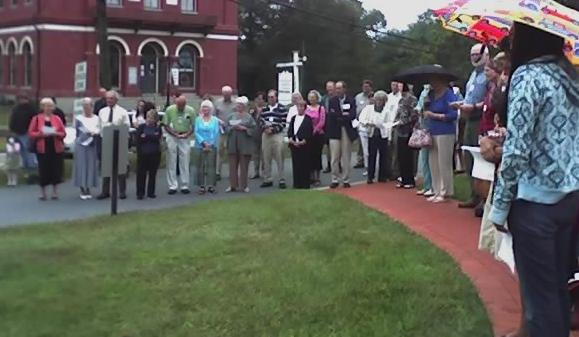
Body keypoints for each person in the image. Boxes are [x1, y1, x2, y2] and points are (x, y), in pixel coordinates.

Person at [489, 22, 579, 337]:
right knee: (555, 290)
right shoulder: (568, 74)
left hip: (534, 203)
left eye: (514, 31)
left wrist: (498, 208)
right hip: (569, 196)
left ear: (529, 35)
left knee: (539, 304)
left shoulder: (528, 77)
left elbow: (516, 153)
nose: (510, 37)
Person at [455, 44, 489, 211]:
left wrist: (474, 106)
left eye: (477, 54)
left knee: (480, 158)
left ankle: (483, 196)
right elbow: (470, 96)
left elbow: (490, 99)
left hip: (480, 119)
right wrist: (462, 104)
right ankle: (473, 194)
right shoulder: (473, 74)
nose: (474, 58)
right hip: (468, 118)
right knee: (468, 156)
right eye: (472, 54)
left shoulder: (489, 74)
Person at [425, 77, 459, 203]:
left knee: (444, 162)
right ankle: (436, 189)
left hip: (445, 131)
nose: (432, 84)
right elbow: (426, 108)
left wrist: (435, 116)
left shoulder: (449, 95)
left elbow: (453, 114)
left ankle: (446, 191)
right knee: (433, 162)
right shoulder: (431, 95)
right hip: (433, 131)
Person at [28, 98, 66, 200]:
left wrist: (56, 133)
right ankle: (43, 193)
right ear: (42, 107)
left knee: (56, 170)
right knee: (43, 170)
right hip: (42, 148)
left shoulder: (57, 118)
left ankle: (55, 192)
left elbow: (63, 133)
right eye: (46, 106)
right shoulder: (36, 118)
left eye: (50, 106)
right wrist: (40, 134)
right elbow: (31, 133)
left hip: (56, 147)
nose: (48, 108)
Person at [96, 90, 130, 200]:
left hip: (119, 141)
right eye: (107, 98)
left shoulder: (122, 112)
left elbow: (126, 126)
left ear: (116, 99)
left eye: (111, 98)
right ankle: (105, 191)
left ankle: (122, 191)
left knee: (121, 166)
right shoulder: (102, 111)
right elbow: (99, 126)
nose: (109, 100)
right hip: (105, 141)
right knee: (105, 167)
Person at [163, 95, 196, 195]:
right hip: (172, 135)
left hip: (185, 135)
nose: (180, 107)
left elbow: (194, 125)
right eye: (179, 105)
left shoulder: (191, 110)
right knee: (171, 160)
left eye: (182, 105)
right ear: (176, 103)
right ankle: (172, 185)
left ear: (185, 104)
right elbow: (165, 124)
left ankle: (184, 185)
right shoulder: (170, 110)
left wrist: (187, 134)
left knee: (185, 159)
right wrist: (174, 134)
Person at [327, 81, 357, 188]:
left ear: (344, 89)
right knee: (334, 157)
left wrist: (342, 116)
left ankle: (346, 179)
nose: (338, 91)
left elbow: (352, 115)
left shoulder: (351, 100)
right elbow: (332, 115)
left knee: (346, 155)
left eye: (339, 88)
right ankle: (335, 179)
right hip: (334, 131)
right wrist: (343, 116)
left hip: (346, 130)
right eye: (336, 88)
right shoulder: (332, 101)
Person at [225, 97, 257, 193]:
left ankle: (244, 186)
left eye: (241, 105)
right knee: (232, 165)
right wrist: (232, 127)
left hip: (245, 143)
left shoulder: (249, 117)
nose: (239, 107)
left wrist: (244, 129)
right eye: (237, 105)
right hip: (233, 143)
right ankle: (232, 185)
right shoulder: (231, 116)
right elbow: (225, 128)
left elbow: (254, 129)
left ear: (245, 106)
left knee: (244, 165)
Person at [359, 91, 391, 184]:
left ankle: (382, 176)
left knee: (383, 156)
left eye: (381, 100)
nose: (379, 102)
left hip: (383, 135)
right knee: (371, 156)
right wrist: (368, 123)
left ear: (384, 101)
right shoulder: (368, 108)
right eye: (378, 99)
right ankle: (370, 176)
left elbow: (389, 124)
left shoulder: (387, 110)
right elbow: (362, 118)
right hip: (372, 134)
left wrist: (389, 138)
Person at [73, 97, 100, 200]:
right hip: (81, 145)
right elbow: (77, 132)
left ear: (92, 107)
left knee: (91, 166)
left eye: (88, 106)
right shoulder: (79, 118)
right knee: (81, 166)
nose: (86, 108)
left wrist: (95, 133)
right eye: (84, 106)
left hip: (92, 145)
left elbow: (99, 129)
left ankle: (88, 187)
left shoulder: (97, 118)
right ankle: (82, 188)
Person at [260, 89, 288, 189]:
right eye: (269, 97)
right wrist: (265, 129)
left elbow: (283, 122)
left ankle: (281, 179)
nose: (270, 99)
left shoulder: (282, 109)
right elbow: (261, 121)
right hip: (266, 134)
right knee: (266, 157)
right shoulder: (264, 109)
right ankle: (267, 178)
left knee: (279, 156)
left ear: (276, 97)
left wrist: (273, 129)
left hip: (277, 134)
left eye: (272, 97)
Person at [393, 83, 418, 188]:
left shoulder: (412, 99)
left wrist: (403, 122)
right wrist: (394, 122)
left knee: (408, 156)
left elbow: (414, 115)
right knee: (400, 156)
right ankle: (403, 178)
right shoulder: (401, 99)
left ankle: (409, 180)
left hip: (408, 130)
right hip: (400, 131)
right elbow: (398, 113)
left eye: (400, 86)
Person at [9, 94, 38, 182]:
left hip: (26, 133)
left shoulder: (31, 109)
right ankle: (25, 166)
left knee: (28, 150)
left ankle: (32, 167)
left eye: (23, 99)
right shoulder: (16, 108)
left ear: (26, 99)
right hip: (17, 132)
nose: (22, 101)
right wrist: (12, 129)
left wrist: (31, 131)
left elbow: (34, 121)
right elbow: (12, 119)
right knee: (21, 151)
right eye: (20, 99)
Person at [194, 100, 221, 195]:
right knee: (200, 166)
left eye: (207, 107)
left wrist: (210, 143)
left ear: (211, 109)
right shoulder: (197, 119)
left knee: (211, 166)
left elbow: (216, 132)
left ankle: (211, 186)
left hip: (211, 145)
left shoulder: (215, 120)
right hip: (200, 145)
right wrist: (203, 142)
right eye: (204, 107)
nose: (205, 109)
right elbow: (196, 131)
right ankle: (201, 186)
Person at [136, 110, 162, 200]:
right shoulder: (141, 127)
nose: (149, 119)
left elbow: (157, 137)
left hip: (154, 154)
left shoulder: (157, 128)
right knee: (141, 174)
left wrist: (146, 136)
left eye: (151, 118)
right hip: (143, 154)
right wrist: (150, 137)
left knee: (152, 174)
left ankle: (151, 192)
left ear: (155, 119)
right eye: (148, 117)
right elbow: (139, 139)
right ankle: (140, 193)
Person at [288, 99, 314, 189]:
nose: (300, 108)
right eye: (298, 106)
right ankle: (297, 184)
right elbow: (290, 131)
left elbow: (310, 133)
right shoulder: (293, 118)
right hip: (294, 144)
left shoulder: (308, 119)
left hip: (304, 145)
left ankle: (305, 184)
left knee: (304, 165)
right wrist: (292, 140)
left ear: (305, 108)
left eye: (302, 106)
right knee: (296, 164)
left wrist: (303, 141)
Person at [415, 84, 434, 197]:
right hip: (423, 126)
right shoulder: (424, 91)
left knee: (432, 159)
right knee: (424, 159)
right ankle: (427, 185)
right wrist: (418, 110)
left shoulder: (436, 93)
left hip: (432, 127)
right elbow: (419, 106)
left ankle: (432, 186)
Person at [215, 85, 236, 180]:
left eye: (228, 94)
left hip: (232, 130)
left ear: (231, 94)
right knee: (220, 151)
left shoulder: (235, 103)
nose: (226, 96)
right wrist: (220, 122)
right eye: (224, 94)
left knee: (231, 152)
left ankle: (232, 172)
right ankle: (217, 172)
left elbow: (239, 115)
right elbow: (214, 116)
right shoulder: (218, 103)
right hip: (220, 130)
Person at [305, 90, 326, 187]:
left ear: (317, 98)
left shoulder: (321, 108)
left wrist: (315, 130)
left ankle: (317, 177)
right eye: (310, 97)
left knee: (317, 156)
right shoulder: (306, 108)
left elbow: (322, 121)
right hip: (308, 135)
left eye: (313, 98)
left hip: (318, 135)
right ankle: (310, 176)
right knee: (309, 156)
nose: (311, 99)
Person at [385, 81, 403, 180]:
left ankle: (396, 171)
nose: (394, 87)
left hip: (397, 125)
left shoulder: (401, 98)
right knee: (389, 149)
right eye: (392, 85)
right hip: (388, 125)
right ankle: (389, 171)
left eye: (396, 85)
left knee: (396, 149)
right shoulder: (388, 97)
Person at [355, 80, 374, 170]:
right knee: (360, 143)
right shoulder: (358, 97)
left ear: (370, 87)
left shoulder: (373, 97)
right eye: (364, 86)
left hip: (370, 123)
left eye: (367, 87)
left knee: (369, 145)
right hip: (360, 122)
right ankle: (360, 160)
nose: (365, 88)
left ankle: (369, 162)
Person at [250, 92, 266, 179]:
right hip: (254, 134)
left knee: (264, 154)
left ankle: (264, 171)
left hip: (263, 133)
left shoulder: (266, 109)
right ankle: (256, 171)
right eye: (258, 99)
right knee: (255, 154)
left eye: (261, 99)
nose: (259, 101)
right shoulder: (253, 109)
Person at [321, 81, 336, 173]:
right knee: (328, 146)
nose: (329, 89)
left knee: (337, 146)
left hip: (335, 124)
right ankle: (329, 164)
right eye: (328, 87)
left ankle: (337, 164)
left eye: (331, 87)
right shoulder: (324, 99)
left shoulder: (337, 98)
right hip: (326, 125)